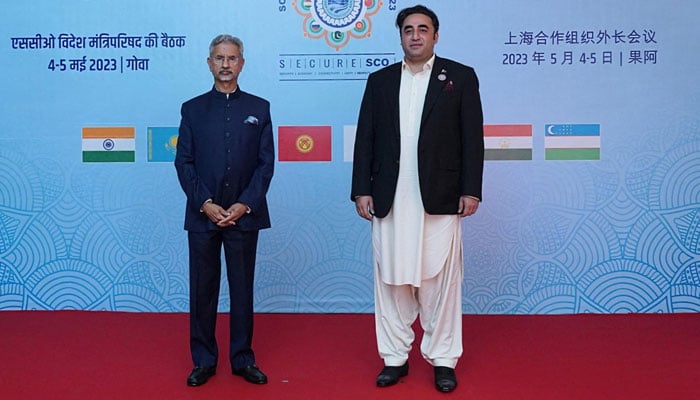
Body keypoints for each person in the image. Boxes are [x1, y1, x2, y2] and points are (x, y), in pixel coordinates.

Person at [350, 5, 484, 393]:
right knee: (391, 282)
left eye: (423, 29)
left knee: (439, 280)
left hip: (440, 198)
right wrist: (361, 189)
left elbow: (472, 140)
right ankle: (394, 358)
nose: (415, 35)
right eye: (408, 29)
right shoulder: (380, 81)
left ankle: (443, 358)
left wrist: (470, 189)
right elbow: (365, 140)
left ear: (435, 36)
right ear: (401, 36)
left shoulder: (459, 77)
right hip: (390, 199)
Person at [175, 34, 274, 387]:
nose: (226, 64)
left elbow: (266, 165)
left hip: (243, 216)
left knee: (242, 288)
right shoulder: (192, 109)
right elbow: (183, 162)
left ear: (242, 63)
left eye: (232, 58)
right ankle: (203, 360)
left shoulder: (259, 108)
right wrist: (205, 203)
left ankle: (242, 358)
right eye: (219, 58)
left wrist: (244, 204)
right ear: (209, 63)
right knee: (203, 289)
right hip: (203, 215)